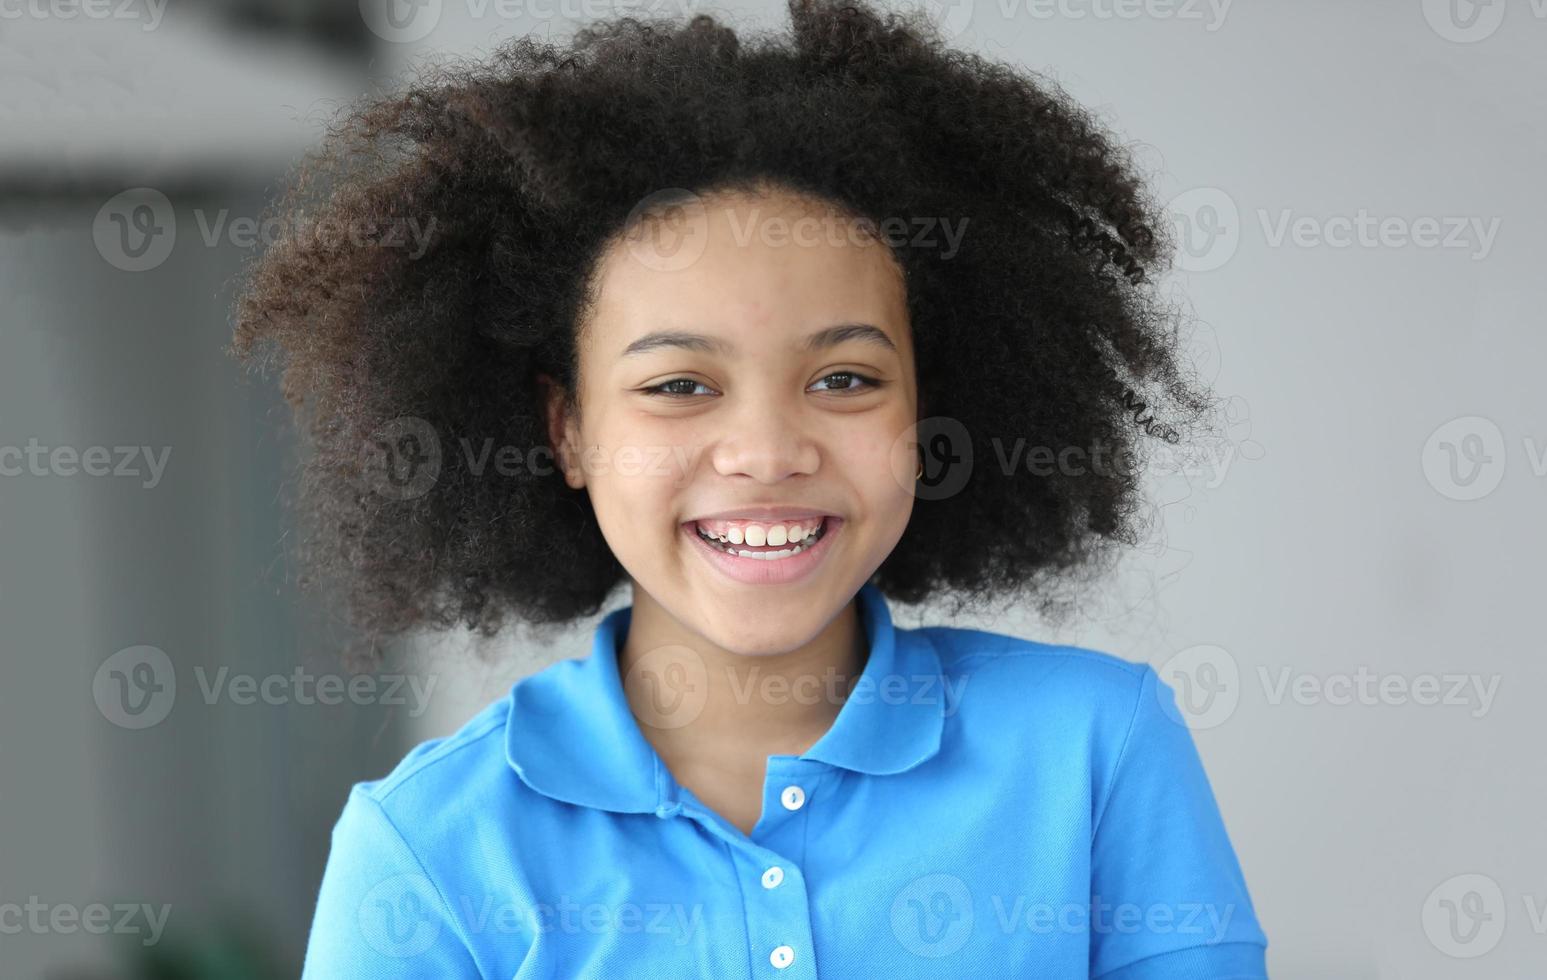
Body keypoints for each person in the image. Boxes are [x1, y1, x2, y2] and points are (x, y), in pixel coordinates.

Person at [228, 0, 1268, 975]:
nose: (766, 449)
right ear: (567, 428)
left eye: (844, 378)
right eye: (680, 384)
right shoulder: (428, 850)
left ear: (925, 411)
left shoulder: (1093, 749)